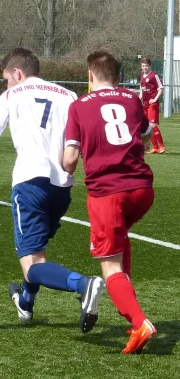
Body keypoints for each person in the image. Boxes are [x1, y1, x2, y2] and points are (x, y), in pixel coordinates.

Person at [0, 47, 104, 332]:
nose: (6, 84)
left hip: (29, 183)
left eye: (6, 78)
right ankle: (26, 302)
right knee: (35, 252)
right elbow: (82, 142)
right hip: (61, 187)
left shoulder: (11, 95)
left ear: (17, 73)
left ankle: (84, 284)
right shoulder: (69, 96)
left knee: (33, 264)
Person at [63, 49, 157, 354]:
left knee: (110, 264)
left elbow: (70, 159)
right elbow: (145, 133)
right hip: (142, 189)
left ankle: (139, 321)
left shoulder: (78, 106)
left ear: (91, 76)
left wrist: (63, 168)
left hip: (107, 192)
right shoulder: (130, 99)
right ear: (118, 77)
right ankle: (128, 311)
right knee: (120, 240)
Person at [139, 57, 165, 154]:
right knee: (148, 126)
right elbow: (142, 89)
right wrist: (139, 98)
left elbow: (161, 88)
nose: (145, 67)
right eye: (143, 66)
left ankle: (162, 146)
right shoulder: (141, 77)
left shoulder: (154, 75)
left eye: (146, 65)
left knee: (153, 124)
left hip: (152, 103)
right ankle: (155, 147)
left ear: (150, 66)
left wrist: (155, 99)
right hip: (144, 104)